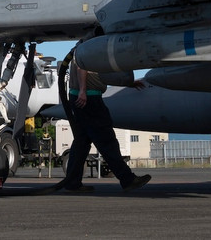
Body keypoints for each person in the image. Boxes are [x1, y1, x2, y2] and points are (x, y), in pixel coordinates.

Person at [64, 58, 151, 193]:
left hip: (79, 97)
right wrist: (83, 90)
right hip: (89, 98)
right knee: (106, 140)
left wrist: (129, 83)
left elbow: (99, 76)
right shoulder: (89, 50)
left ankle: (72, 183)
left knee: (81, 142)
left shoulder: (79, 49)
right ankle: (127, 179)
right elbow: (82, 67)